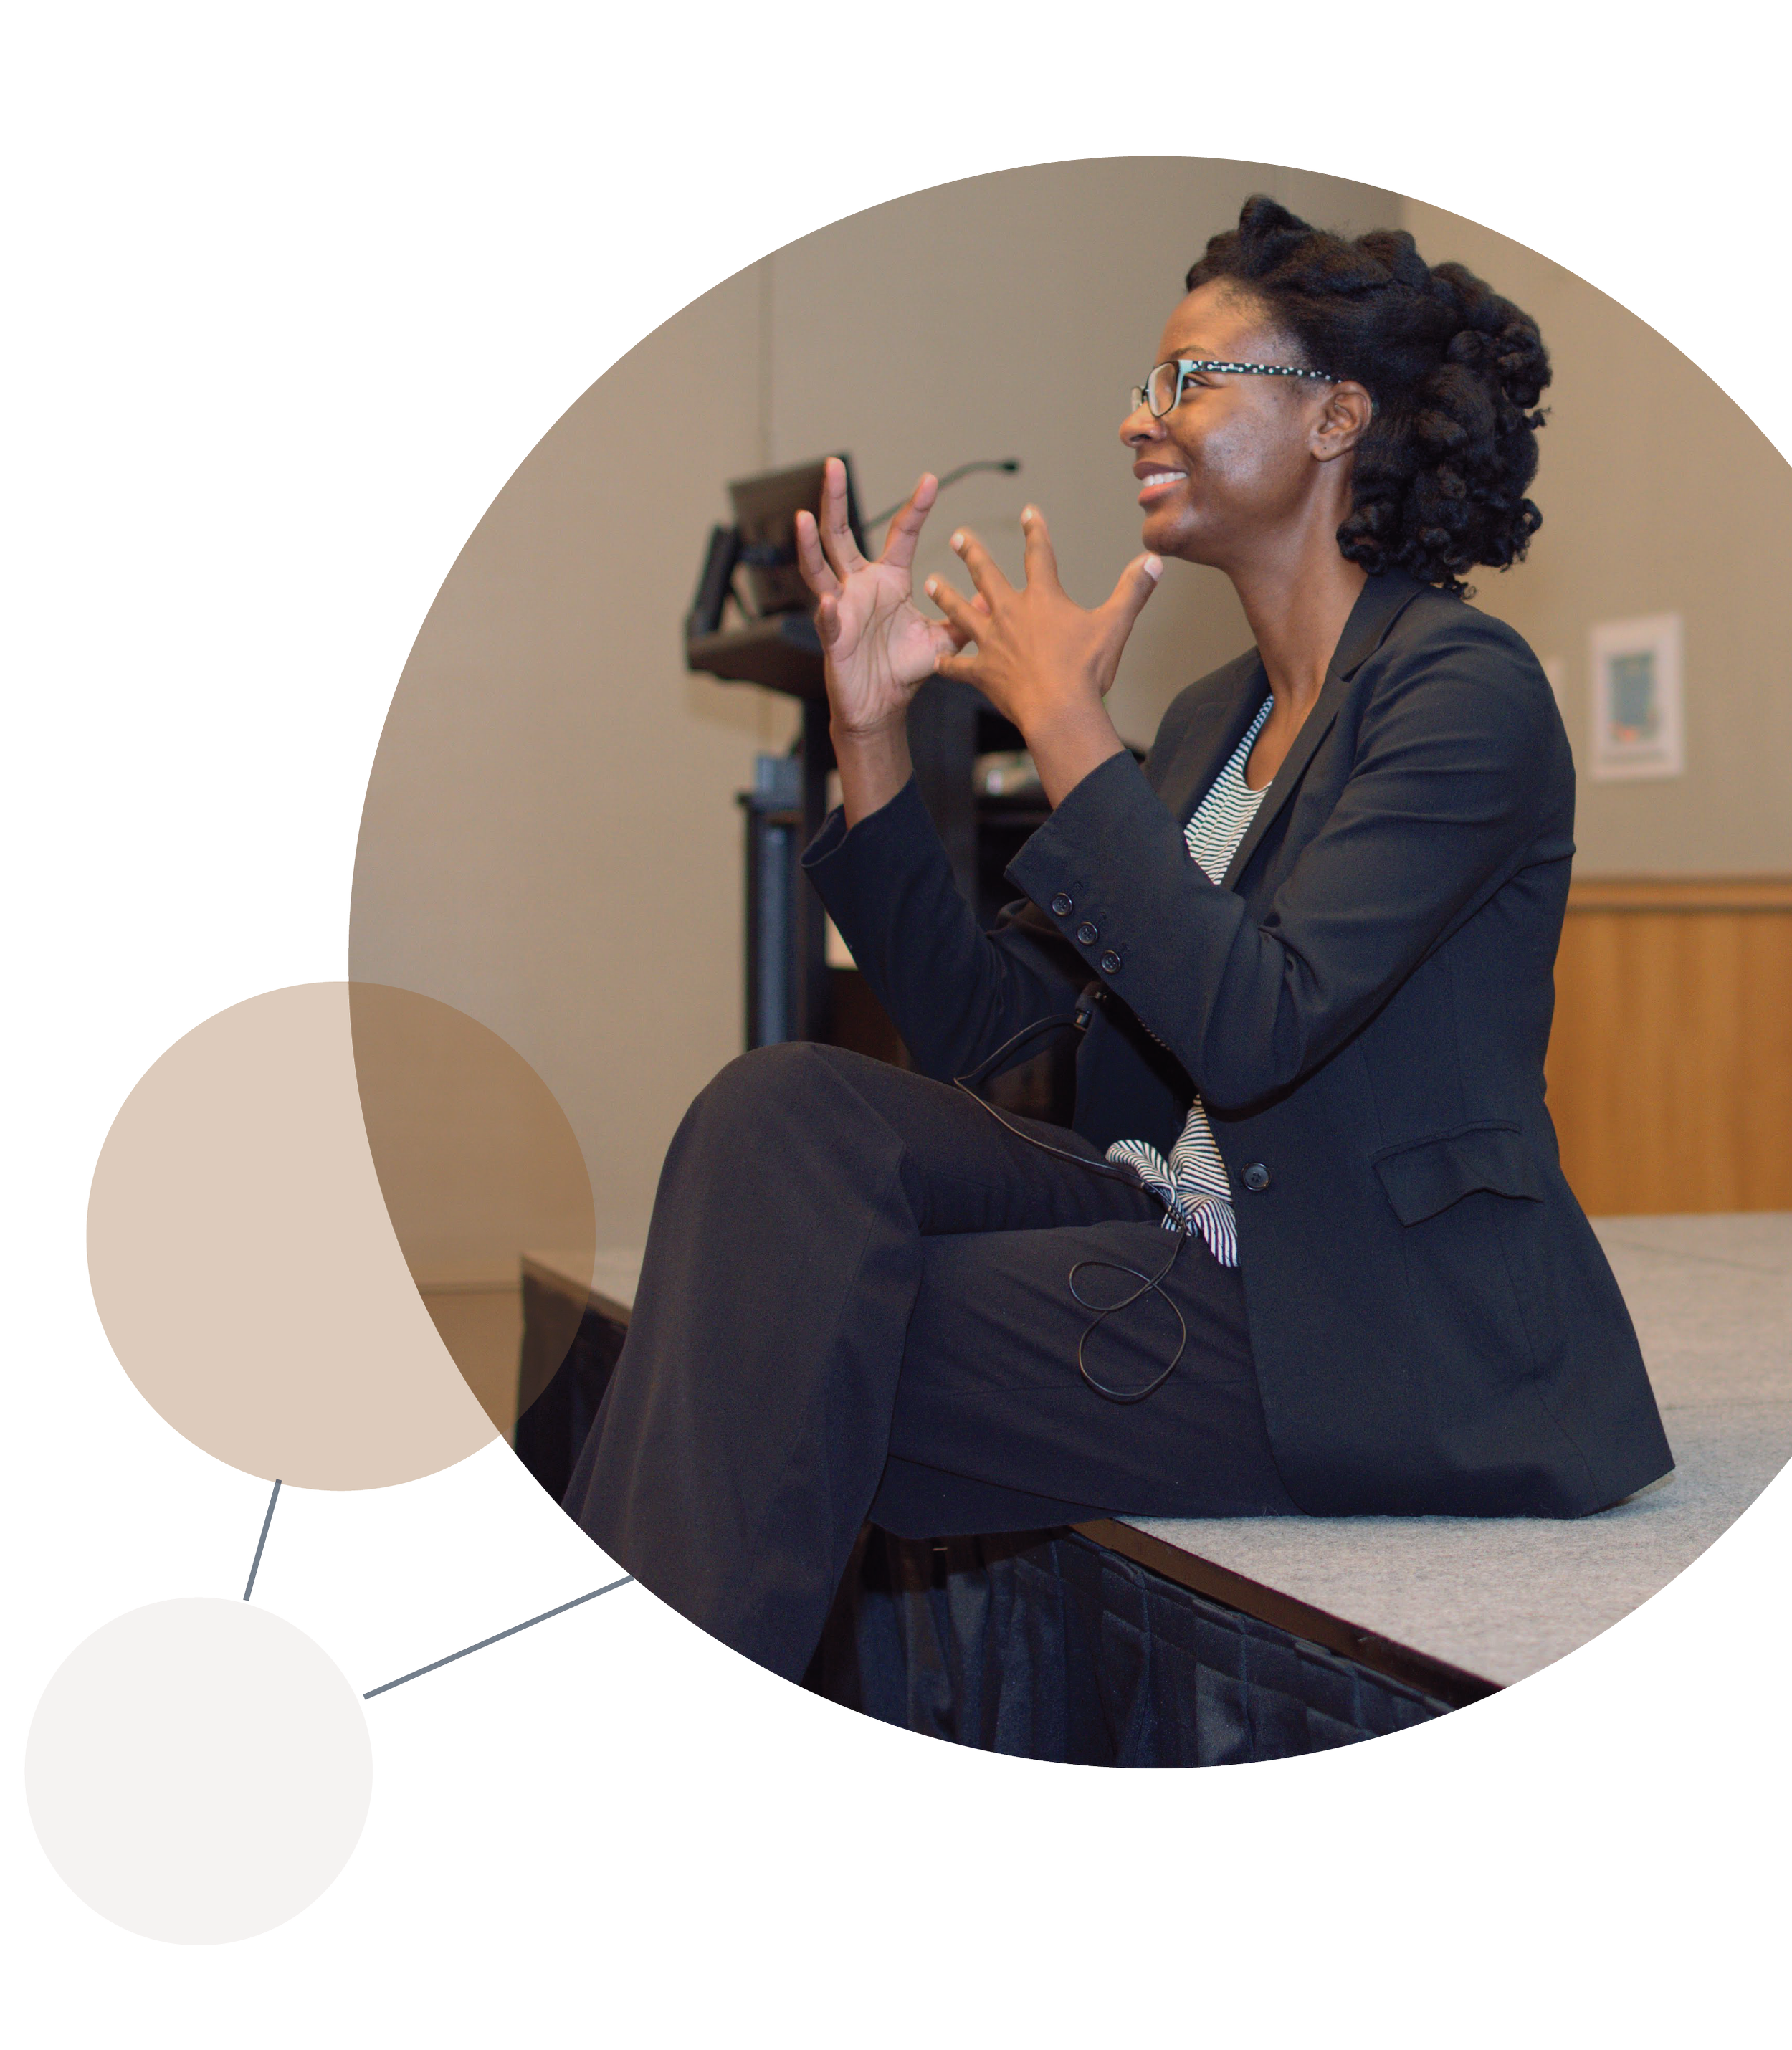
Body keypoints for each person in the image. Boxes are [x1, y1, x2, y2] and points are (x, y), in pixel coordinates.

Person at [564, 195, 1674, 1683]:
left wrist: (1066, 724)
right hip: (1169, 1228)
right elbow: (991, 1030)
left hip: (1362, 1320)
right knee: (778, 1112)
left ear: (1336, 417)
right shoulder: (1213, 719)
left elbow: (1260, 1025)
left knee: (798, 1324)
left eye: (1189, 380)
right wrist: (868, 731)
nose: (1137, 418)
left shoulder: (1461, 692)